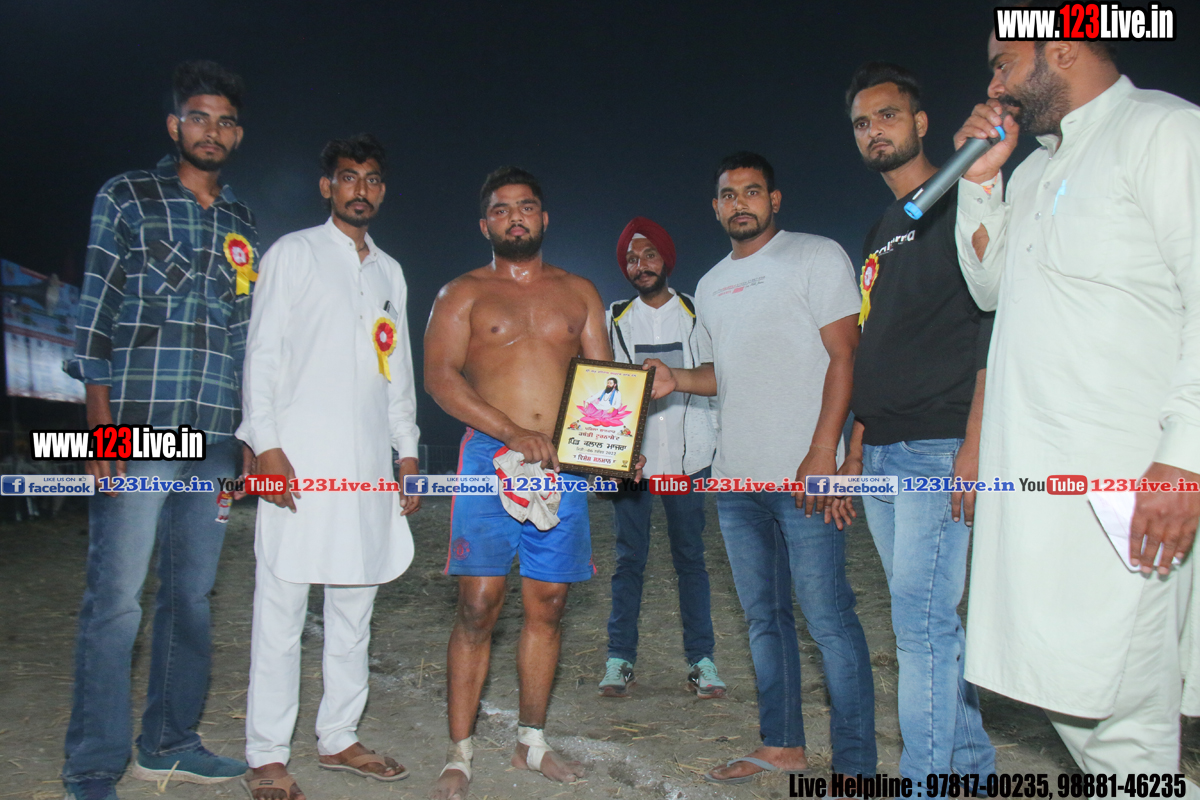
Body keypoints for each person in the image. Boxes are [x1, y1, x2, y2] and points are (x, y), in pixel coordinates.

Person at [953, 11, 1200, 776]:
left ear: (1060, 46)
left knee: (1121, 721)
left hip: (1132, 487)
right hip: (1043, 494)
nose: (993, 84)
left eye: (1003, 63)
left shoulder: (1164, 131)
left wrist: (1185, 458)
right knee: (1075, 698)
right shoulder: (1033, 170)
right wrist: (981, 184)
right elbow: (989, 288)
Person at [61, 61, 256, 800]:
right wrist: (98, 428)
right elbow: (95, 311)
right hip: (139, 426)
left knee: (192, 597)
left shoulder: (242, 223)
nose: (212, 131)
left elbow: (245, 336)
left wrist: (246, 437)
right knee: (116, 599)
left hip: (214, 437)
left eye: (226, 121)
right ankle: (93, 765)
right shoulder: (128, 196)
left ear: (237, 135)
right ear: (175, 125)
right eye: (199, 117)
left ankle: (170, 742)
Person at [647, 153, 876, 783]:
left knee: (828, 620)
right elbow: (720, 375)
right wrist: (675, 379)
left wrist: (824, 452)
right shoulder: (711, 284)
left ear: (774, 200)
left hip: (805, 478)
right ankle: (782, 745)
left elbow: (846, 355)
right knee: (762, 620)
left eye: (752, 192)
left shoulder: (816, 255)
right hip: (736, 482)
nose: (739, 203)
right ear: (715, 207)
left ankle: (856, 767)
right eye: (728, 195)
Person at [424, 167, 636, 800]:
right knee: (478, 604)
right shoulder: (461, 293)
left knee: (548, 604)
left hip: (563, 464)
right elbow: (440, 377)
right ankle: (459, 753)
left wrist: (617, 451)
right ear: (484, 223)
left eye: (526, 206)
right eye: (501, 208)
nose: (514, 216)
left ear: (544, 218)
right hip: (489, 457)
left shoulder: (580, 292)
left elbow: (603, 378)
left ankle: (531, 743)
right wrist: (512, 431)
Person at [236, 135, 421, 800]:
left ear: (382, 190)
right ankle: (266, 754)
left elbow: (396, 369)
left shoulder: (390, 273)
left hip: (366, 470)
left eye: (371, 179)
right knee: (280, 611)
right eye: (348, 177)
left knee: (353, 610)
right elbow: (262, 354)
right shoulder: (293, 254)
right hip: (297, 466)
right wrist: (266, 443)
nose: (360, 189)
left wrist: (406, 451)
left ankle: (339, 736)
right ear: (327, 187)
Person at [832, 62, 995, 779]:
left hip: (938, 446)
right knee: (929, 626)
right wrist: (854, 452)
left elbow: (993, 325)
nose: (874, 131)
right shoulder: (883, 228)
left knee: (921, 628)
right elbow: (876, 343)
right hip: (881, 454)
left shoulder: (964, 198)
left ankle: (923, 784)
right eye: (862, 123)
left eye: (888, 116)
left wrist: (974, 445)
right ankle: (974, 770)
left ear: (921, 122)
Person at [598, 216, 724, 699]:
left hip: (689, 461)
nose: (640, 265)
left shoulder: (696, 312)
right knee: (628, 560)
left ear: (666, 259)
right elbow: (600, 389)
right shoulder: (613, 319)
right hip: (633, 465)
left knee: (691, 559)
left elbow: (718, 376)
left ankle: (702, 661)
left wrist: (719, 442)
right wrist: (607, 455)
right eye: (631, 258)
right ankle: (619, 659)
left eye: (649, 255)